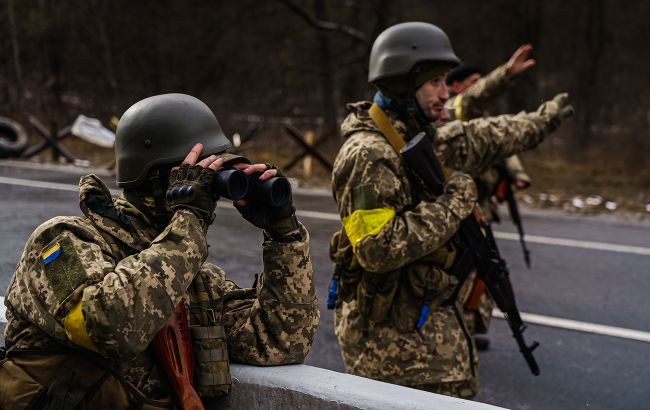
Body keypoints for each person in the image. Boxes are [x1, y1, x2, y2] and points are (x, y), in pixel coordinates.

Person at [0, 93, 319, 409]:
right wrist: (189, 219)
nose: (211, 191)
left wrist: (283, 235)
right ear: (159, 178)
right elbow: (109, 326)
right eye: (201, 174)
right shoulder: (62, 241)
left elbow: (280, 341)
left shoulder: (193, 278)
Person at [329, 22, 572, 398]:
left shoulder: (421, 137)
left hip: (427, 341)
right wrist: (456, 202)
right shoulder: (368, 154)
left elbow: (491, 134)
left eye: (446, 82)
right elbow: (376, 247)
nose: (447, 93)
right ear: (402, 82)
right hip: (395, 356)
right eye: (436, 82)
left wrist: (544, 119)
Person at [444, 45, 537, 349]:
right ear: (456, 86)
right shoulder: (457, 108)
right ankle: (458, 329)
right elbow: (476, 96)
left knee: (484, 271)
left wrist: (518, 174)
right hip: (462, 203)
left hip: (481, 203)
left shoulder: (476, 116)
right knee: (466, 271)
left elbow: (502, 147)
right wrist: (505, 75)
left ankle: (470, 329)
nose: (477, 87)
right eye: (472, 82)